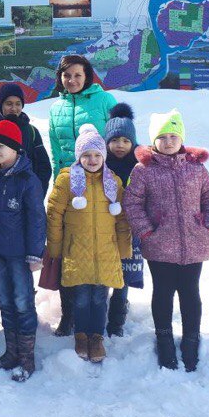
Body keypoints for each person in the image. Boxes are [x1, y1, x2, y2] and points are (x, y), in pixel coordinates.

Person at [124, 109, 209, 372]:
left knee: (190, 292)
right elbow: (132, 203)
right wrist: (147, 231)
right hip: (159, 244)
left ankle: (191, 338)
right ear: (153, 141)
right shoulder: (144, 170)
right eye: (162, 137)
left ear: (181, 138)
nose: (168, 142)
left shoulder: (196, 167)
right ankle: (164, 338)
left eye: (173, 136)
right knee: (163, 292)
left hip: (194, 242)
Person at [45, 124, 131, 363]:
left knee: (100, 298)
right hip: (77, 250)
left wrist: (124, 247)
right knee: (82, 297)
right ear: (78, 156)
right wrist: (55, 247)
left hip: (106, 250)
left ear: (103, 156)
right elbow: (54, 215)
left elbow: (122, 218)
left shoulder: (113, 182)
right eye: (86, 155)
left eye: (96, 155)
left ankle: (97, 337)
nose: (92, 160)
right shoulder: (66, 180)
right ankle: (81, 335)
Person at [47, 55, 117, 336]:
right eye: (67, 76)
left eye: (77, 75)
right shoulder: (56, 108)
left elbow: (120, 141)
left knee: (102, 247)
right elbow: (55, 151)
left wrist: (114, 184)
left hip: (101, 185)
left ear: (87, 75)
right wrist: (58, 185)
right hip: (70, 187)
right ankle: (69, 315)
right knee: (69, 251)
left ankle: (108, 315)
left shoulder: (105, 101)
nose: (72, 80)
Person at [0, 119, 45, 382]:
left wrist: (35, 253)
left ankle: (27, 359)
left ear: (15, 148)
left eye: (1, 146)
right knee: (6, 302)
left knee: (22, 302)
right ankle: (11, 353)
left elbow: (37, 218)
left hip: (19, 255)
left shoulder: (28, 180)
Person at [103, 103, 143, 337]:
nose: (120, 145)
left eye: (126, 141)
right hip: (104, 227)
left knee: (123, 276)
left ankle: (117, 320)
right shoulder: (99, 164)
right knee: (103, 272)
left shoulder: (140, 167)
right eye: (115, 140)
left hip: (128, 229)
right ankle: (100, 313)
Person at [0, 83, 52, 192]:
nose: (14, 108)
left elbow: (44, 167)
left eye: (18, 104)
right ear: (1, 105)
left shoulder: (31, 131)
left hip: (27, 193)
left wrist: (36, 192)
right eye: (9, 104)